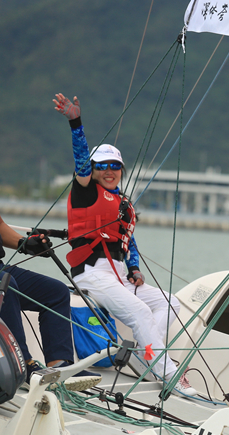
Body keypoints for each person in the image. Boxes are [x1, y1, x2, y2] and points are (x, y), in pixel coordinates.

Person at [0, 107, 99, 389]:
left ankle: (59, 367)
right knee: (4, 284)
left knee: (55, 292)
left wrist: (25, 244)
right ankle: (24, 366)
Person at [53, 94, 196, 396]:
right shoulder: (85, 190)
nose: (109, 170)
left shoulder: (122, 202)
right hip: (92, 273)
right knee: (141, 313)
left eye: (115, 166)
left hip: (119, 275)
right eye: (102, 166)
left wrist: (134, 268)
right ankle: (168, 373)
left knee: (170, 303)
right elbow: (81, 159)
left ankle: (147, 355)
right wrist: (75, 122)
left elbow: (129, 239)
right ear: (93, 169)